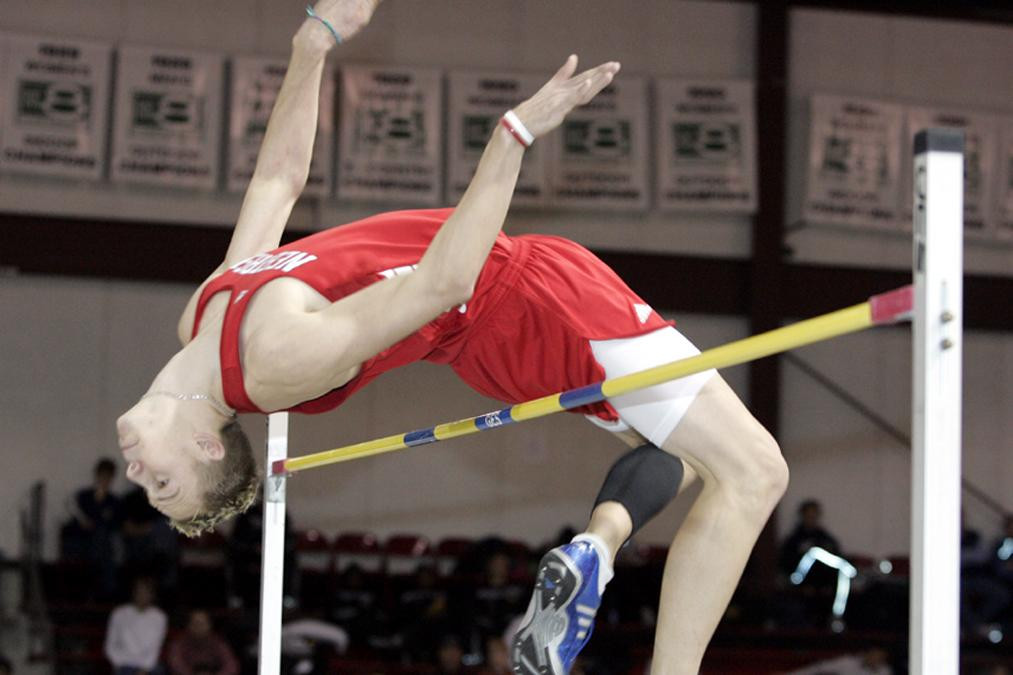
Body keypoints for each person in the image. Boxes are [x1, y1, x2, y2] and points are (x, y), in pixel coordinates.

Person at [114, 1, 788, 673]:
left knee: (684, 455)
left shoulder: (201, 316)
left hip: (500, 336)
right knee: (755, 471)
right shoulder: (272, 363)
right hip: (533, 300)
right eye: (161, 482)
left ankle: (595, 550)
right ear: (206, 444)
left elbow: (276, 182)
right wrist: (511, 139)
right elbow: (443, 284)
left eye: (145, 480)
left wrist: (311, 45)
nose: (135, 472)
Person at [61, 458, 121, 598]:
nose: (104, 480)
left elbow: (113, 525)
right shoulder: (84, 496)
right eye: (102, 476)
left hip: (102, 546)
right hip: (81, 541)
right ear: (96, 475)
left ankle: (103, 592)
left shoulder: (114, 501)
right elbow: (74, 512)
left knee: (102, 543)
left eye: (108, 477)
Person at [104, 577, 168, 675]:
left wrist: (144, 670)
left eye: (147, 592)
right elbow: (110, 645)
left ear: (153, 595)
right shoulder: (119, 613)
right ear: (133, 592)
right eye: (139, 591)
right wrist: (117, 664)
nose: (142, 595)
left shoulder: (160, 617)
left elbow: (155, 648)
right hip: (123, 664)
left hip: (148, 666)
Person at [166, 609, 239, 675]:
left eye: (202, 624)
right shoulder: (179, 643)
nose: (199, 627)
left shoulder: (218, 642)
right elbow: (175, 663)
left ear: (210, 625)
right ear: (188, 626)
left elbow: (232, 665)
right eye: (195, 623)